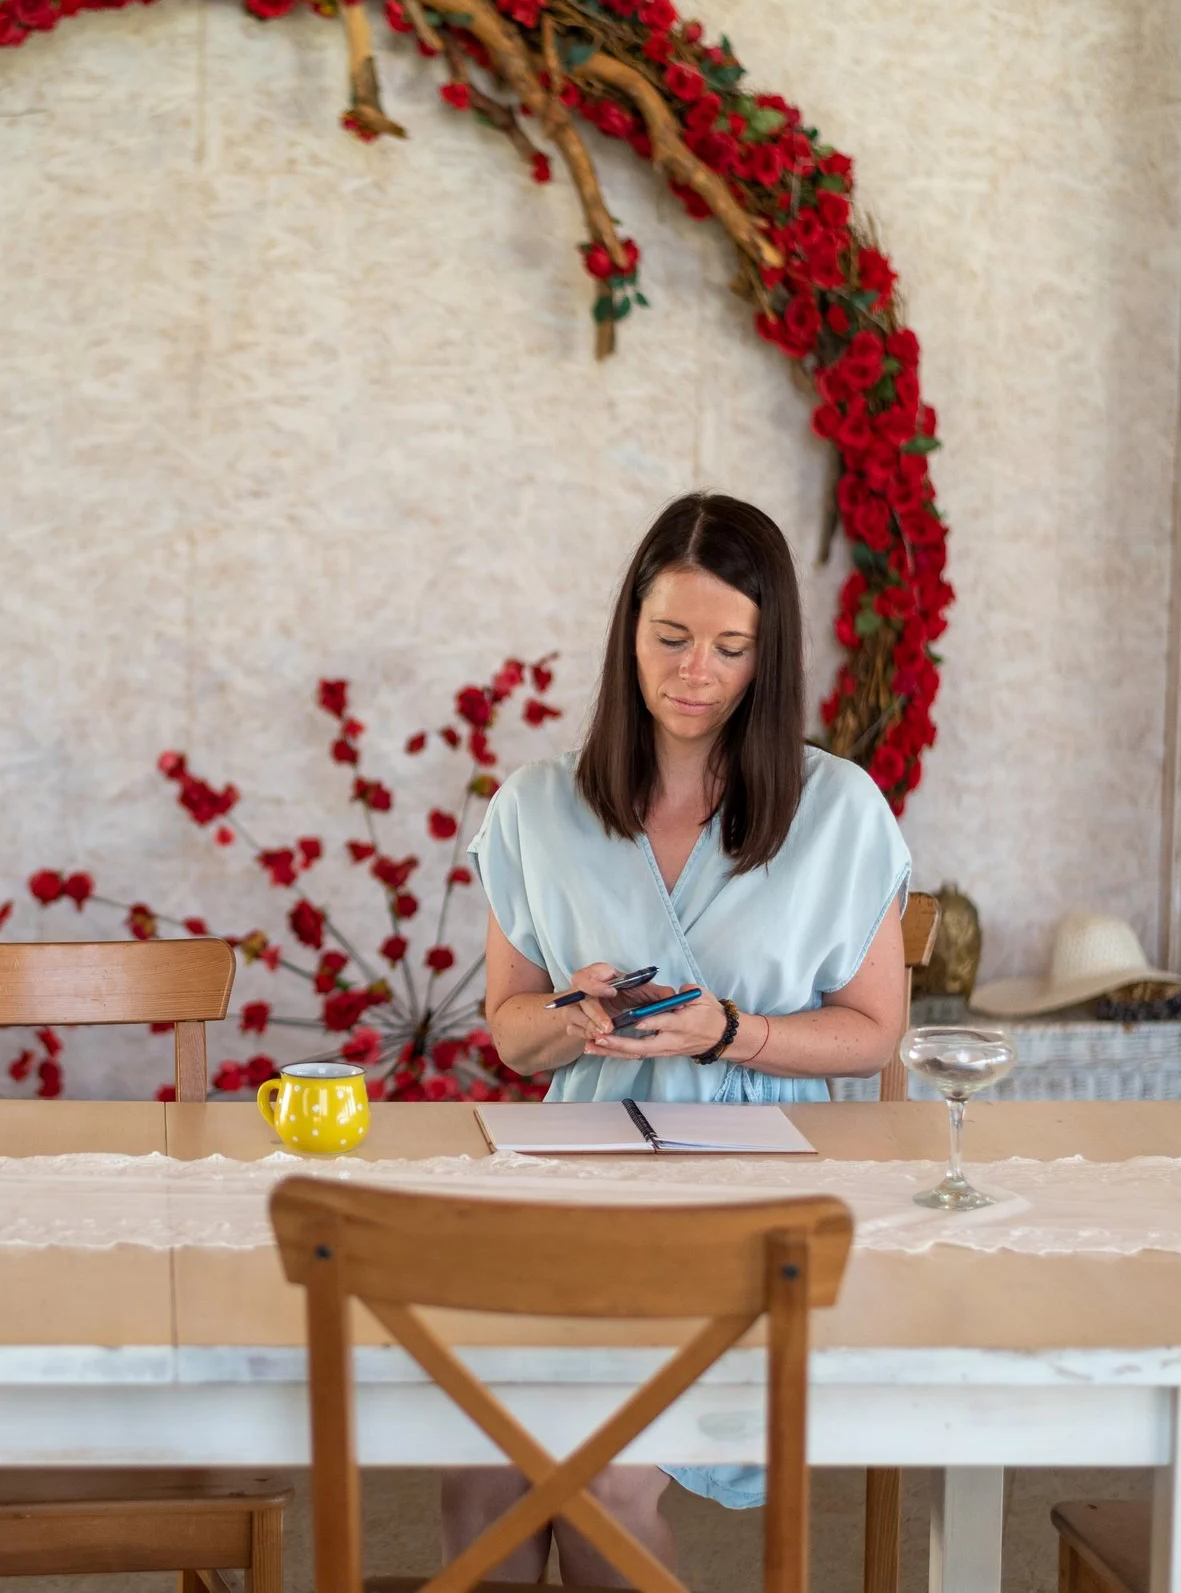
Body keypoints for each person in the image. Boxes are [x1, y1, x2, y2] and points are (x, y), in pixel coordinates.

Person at [454, 492, 911, 1584]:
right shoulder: (536, 806)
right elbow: (512, 1039)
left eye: (728, 645)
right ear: (629, 633)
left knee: (602, 1476)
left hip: (765, 1208)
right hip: (577, 1187)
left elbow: (872, 1034)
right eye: (669, 637)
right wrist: (569, 1017)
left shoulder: (838, 809)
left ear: (767, 656)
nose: (693, 670)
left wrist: (731, 1035)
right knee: (482, 1466)